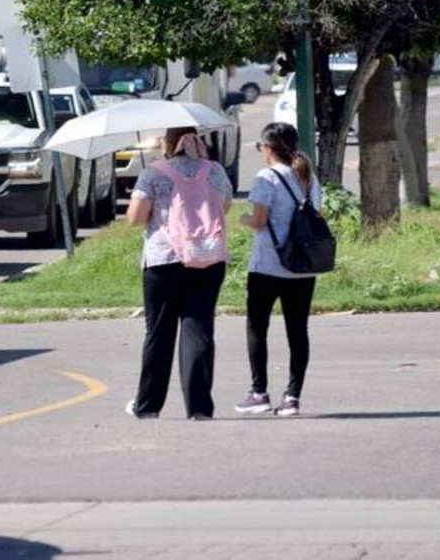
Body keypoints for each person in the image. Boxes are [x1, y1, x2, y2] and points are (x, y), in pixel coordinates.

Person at [125, 126, 233, 420]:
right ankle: (199, 408)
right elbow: (224, 206)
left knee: (158, 333)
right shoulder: (215, 171)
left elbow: (135, 218)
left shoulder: (154, 173)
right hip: (208, 257)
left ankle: (148, 406)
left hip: (163, 261)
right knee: (198, 330)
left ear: (168, 143)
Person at [235, 122, 322, 417]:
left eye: (260, 147)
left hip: (268, 267)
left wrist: (243, 219)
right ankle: (292, 397)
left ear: (269, 149)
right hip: (303, 266)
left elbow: (259, 221)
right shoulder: (308, 177)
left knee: (257, 328)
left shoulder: (266, 177)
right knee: (298, 330)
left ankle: (259, 393)